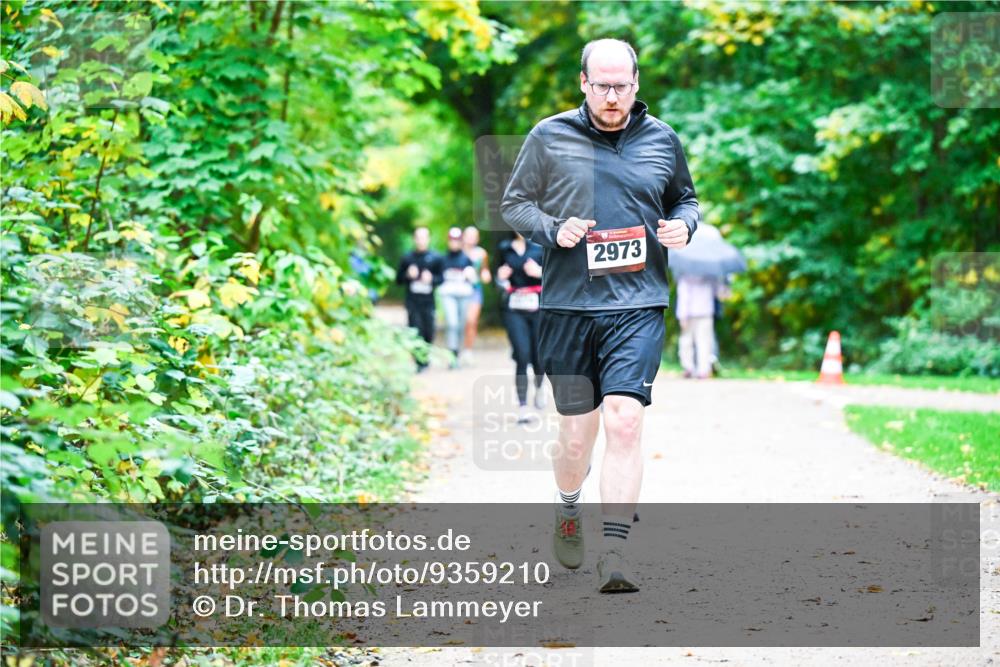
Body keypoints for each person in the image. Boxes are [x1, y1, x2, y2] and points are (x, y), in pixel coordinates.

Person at [500, 38, 699, 593]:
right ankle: (568, 505)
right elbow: (515, 203)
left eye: (623, 86)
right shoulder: (549, 136)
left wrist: (685, 225)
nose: (613, 96)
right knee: (575, 435)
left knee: (625, 419)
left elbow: (686, 199)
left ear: (637, 85)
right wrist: (550, 229)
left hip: (637, 303)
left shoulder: (662, 138)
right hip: (568, 306)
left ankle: (615, 552)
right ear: (583, 84)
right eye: (602, 86)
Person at [495, 232, 546, 424]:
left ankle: (540, 388)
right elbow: (496, 278)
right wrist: (500, 278)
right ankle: (523, 407)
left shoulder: (541, 246)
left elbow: (556, 277)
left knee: (538, 358)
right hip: (513, 307)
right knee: (522, 355)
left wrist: (540, 272)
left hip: (538, 307)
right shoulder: (504, 248)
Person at [396, 227, 442, 372]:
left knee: (429, 330)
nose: (421, 241)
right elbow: (398, 280)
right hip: (412, 301)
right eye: (418, 237)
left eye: (424, 237)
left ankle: (425, 356)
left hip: (429, 301)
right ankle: (419, 361)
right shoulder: (407, 258)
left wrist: (432, 279)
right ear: (414, 239)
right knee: (415, 329)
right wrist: (408, 275)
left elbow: (441, 278)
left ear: (428, 239)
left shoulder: (436, 257)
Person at [438, 226, 478, 369]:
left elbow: (474, 281)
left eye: (457, 240)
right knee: (452, 323)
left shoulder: (466, 259)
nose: (454, 243)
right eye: (452, 240)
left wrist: (470, 275)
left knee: (461, 325)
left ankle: (457, 352)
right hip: (448, 295)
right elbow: (438, 278)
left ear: (461, 241)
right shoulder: (442, 259)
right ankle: (452, 354)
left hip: (464, 295)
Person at [675, 273, 718, 379]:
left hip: (690, 314)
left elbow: (683, 295)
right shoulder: (710, 275)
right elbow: (717, 292)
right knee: (704, 342)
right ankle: (703, 370)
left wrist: (682, 315)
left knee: (686, 341)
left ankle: (688, 367)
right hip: (705, 312)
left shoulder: (685, 275)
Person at [462, 226, 492, 365]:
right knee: (460, 322)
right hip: (460, 290)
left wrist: (486, 275)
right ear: (463, 236)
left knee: (471, 321)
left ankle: (468, 351)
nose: (471, 239)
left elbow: (485, 271)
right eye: (468, 235)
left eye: (474, 236)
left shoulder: (481, 253)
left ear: (477, 238)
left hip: (475, 290)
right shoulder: (458, 251)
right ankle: (456, 349)